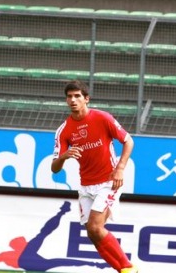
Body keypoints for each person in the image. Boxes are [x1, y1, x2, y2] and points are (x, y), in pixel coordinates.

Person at [51, 80, 138, 273]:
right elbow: (55, 169)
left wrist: (120, 168)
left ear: (86, 99)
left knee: (96, 227)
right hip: (86, 185)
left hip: (109, 181)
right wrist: (64, 157)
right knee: (92, 233)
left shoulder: (102, 118)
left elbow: (128, 141)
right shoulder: (64, 130)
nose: (73, 100)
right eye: (69, 96)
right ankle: (125, 270)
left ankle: (128, 268)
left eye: (77, 96)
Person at [0, 201, 109, 271]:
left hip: (39, 265)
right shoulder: (8, 254)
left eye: (23, 240)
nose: (24, 241)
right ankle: (62, 212)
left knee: (63, 260)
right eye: (21, 241)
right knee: (42, 236)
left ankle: (96, 264)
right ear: (15, 245)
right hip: (26, 262)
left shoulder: (25, 250)